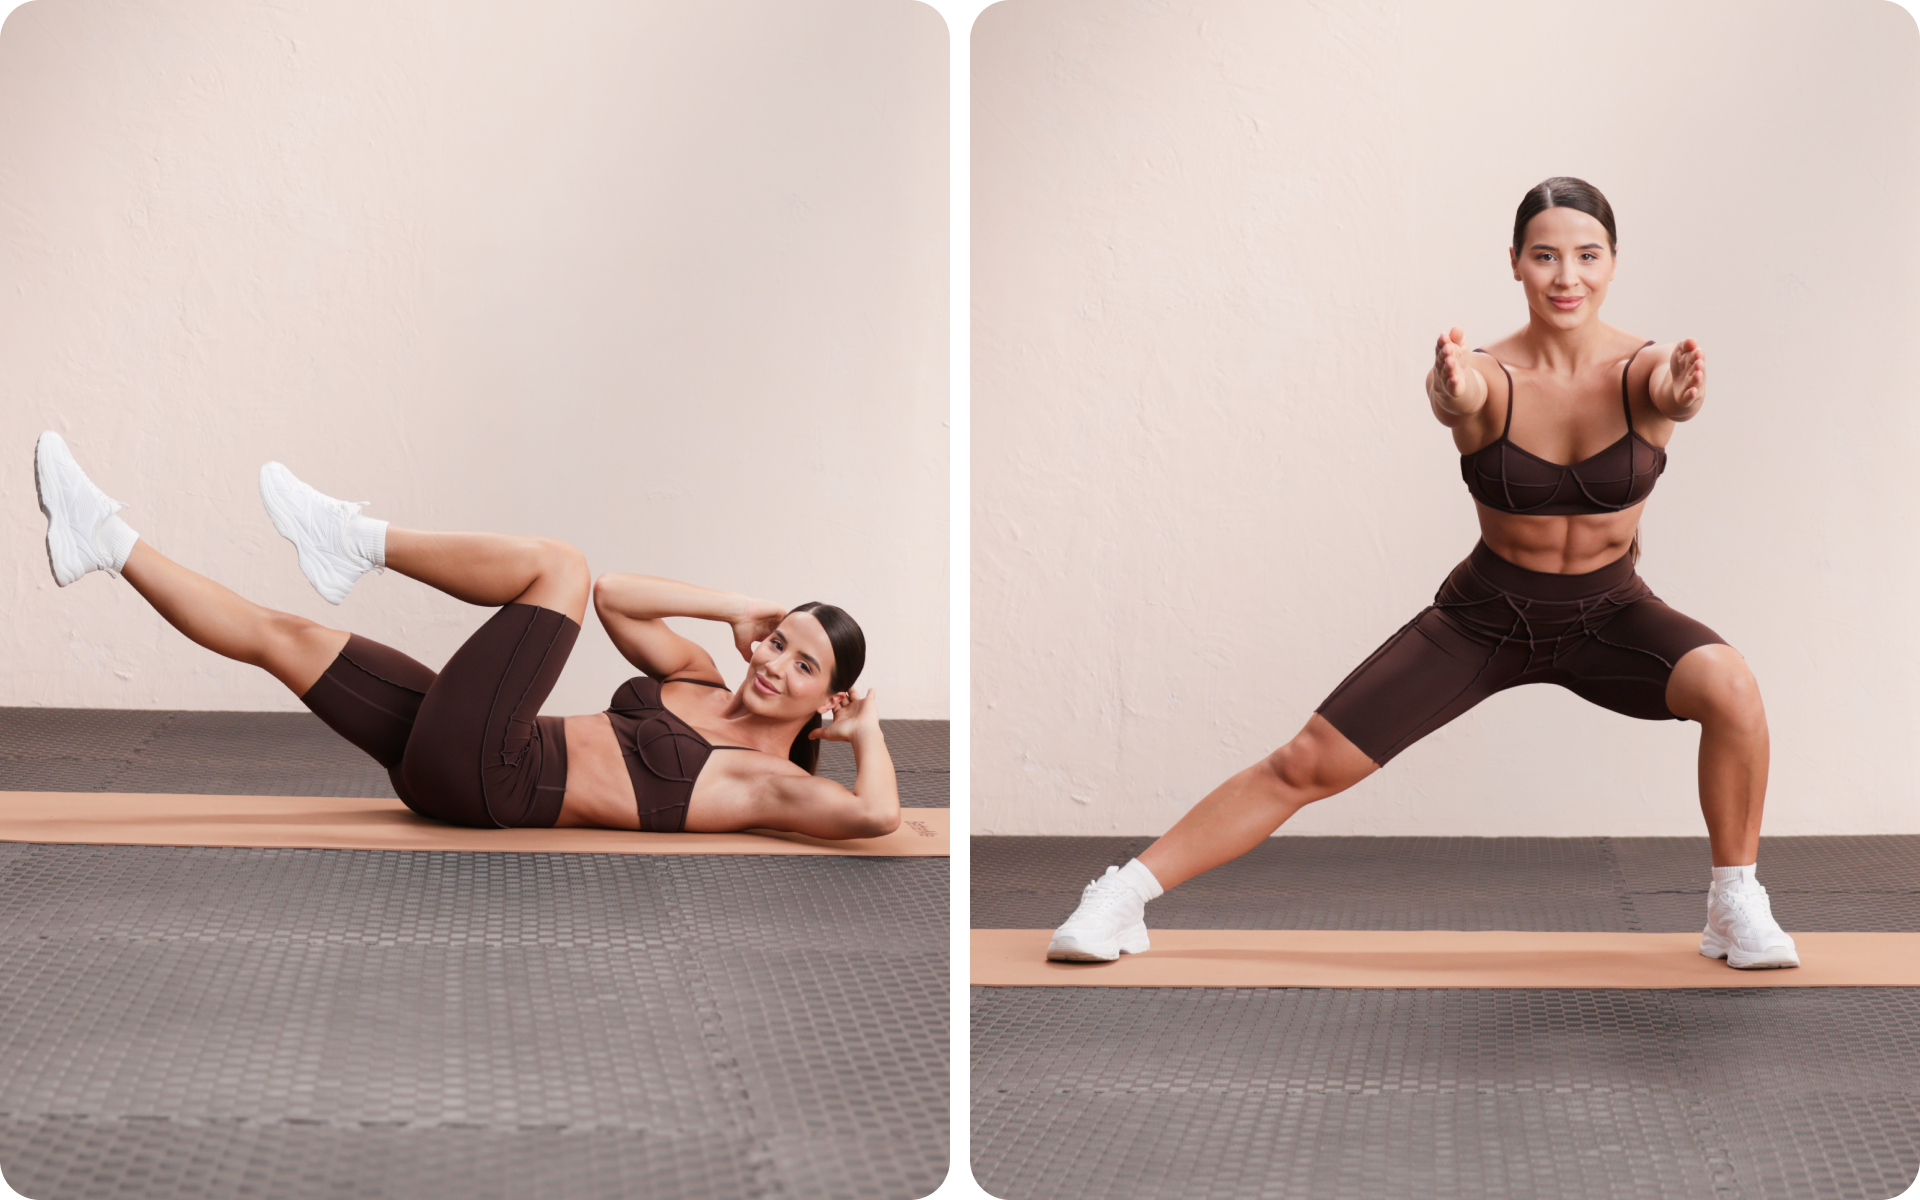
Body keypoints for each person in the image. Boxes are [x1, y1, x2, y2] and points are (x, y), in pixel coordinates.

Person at [1048, 176, 1797, 969]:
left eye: (1586, 255)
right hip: (1487, 617)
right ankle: (1122, 896)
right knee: (1305, 762)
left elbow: (1669, 397)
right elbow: (1458, 396)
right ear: (1514, 263)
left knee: (1733, 687)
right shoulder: (1481, 373)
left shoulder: (1648, 368)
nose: (1566, 276)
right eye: (1545, 256)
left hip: (1609, 616)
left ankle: (1732, 903)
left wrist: (1683, 395)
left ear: (1613, 263)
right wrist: (1449, 389)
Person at [32, 432, 899, 840]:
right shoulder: (704, 675)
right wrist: (737, 605)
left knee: (555, 563)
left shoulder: (766, 789)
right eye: (778, 641)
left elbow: (875, 814)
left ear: (828, 696)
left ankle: (355, 541)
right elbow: (619, 598)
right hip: (467, 755)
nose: (774, 661)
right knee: (283, 634)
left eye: (802, 661)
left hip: (497, 778)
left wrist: (860, 732)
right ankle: (103, 542)